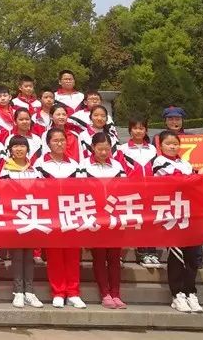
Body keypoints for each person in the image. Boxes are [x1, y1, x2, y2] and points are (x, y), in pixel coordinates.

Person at [154, 130, 203, 313]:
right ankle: (177, 294)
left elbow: (194, 185)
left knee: (192, 255)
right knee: (176, 255)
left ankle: (190, 291)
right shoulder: (159, 162)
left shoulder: (185, 163)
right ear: (160, 146)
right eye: (168, 143)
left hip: (188, 212)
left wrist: (196, 177)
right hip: (171, 214)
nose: (172, 146)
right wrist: (196, 176)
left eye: (175, 143)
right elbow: (175, 182)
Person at [35, 128, 85, 308]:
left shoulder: (75, 165)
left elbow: (82, 189)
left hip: (71, 213)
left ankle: (73, 292)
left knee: (72, 255)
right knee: (55, 255)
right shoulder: (40, 164)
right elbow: (37, 189)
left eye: (62, 140)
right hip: (51, 215)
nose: (59, 143)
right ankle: (58, 291)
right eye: (55, 140)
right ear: (48, 143)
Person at [81, 132, 127, 308]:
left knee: (114, 257)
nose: (103, 152)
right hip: (95, 215)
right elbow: (80, 190)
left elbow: (125, 188)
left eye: (106, 149)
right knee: (99, 256)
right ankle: (105, 293)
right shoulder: (84, 166)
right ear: (93, 148)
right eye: (99, 149)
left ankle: (116, 293)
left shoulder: (117, 165)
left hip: (115, 216)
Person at [0, 136, 43, 308]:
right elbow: (2, 192)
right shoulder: (5, 170)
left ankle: (30, 292)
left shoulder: (35, 169)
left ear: (27, 149)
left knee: (29, 255)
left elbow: (41, 191)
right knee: (17, 255)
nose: (19, 149)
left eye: (22, 146)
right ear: (10, 149)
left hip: (32, 216)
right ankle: (18, 291)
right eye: (15, 146)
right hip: (15, 216)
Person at [118, 117, 162, 268]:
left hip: (150, 191)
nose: (138, 131)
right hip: (131, 192)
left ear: (146, 131)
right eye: (135, 128)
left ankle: (152, 252)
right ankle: (141, 253)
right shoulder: (122, 149)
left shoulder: (152, 149)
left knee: (150, 222)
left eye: (141, 128)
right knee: (136, 222)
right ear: (130, 130)